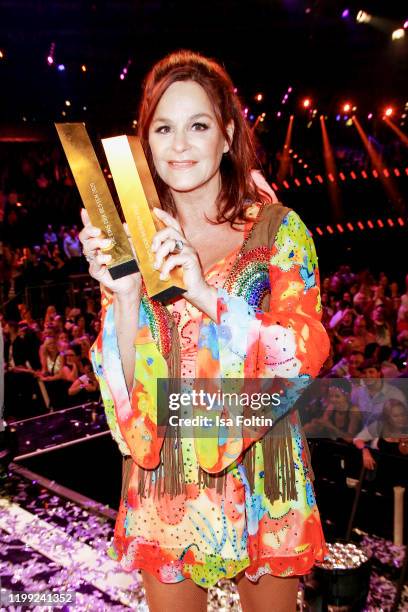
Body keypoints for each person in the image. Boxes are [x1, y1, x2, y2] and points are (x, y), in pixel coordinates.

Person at [79, 50, 330, 611]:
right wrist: (123, 299)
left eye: (198, 126)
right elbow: (123, 390)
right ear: (146, 144)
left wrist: (204, 292)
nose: (180, 145)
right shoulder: (133, 240)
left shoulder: (278, 229)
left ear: (227, 135)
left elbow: (302, 353)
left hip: (263, 467)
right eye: (163, 128)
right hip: (165, 477)